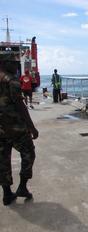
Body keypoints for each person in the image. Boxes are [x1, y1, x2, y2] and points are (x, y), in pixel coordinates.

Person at [0, 52, 38, 206]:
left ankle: (7, 194)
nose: (16, 66)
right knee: (29, 153)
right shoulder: (11, 81)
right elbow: (20, 106)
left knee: (2, 159)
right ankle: (22, 187)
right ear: (4, 63)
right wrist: (32, 127)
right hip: (16, 128)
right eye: (13, 63)